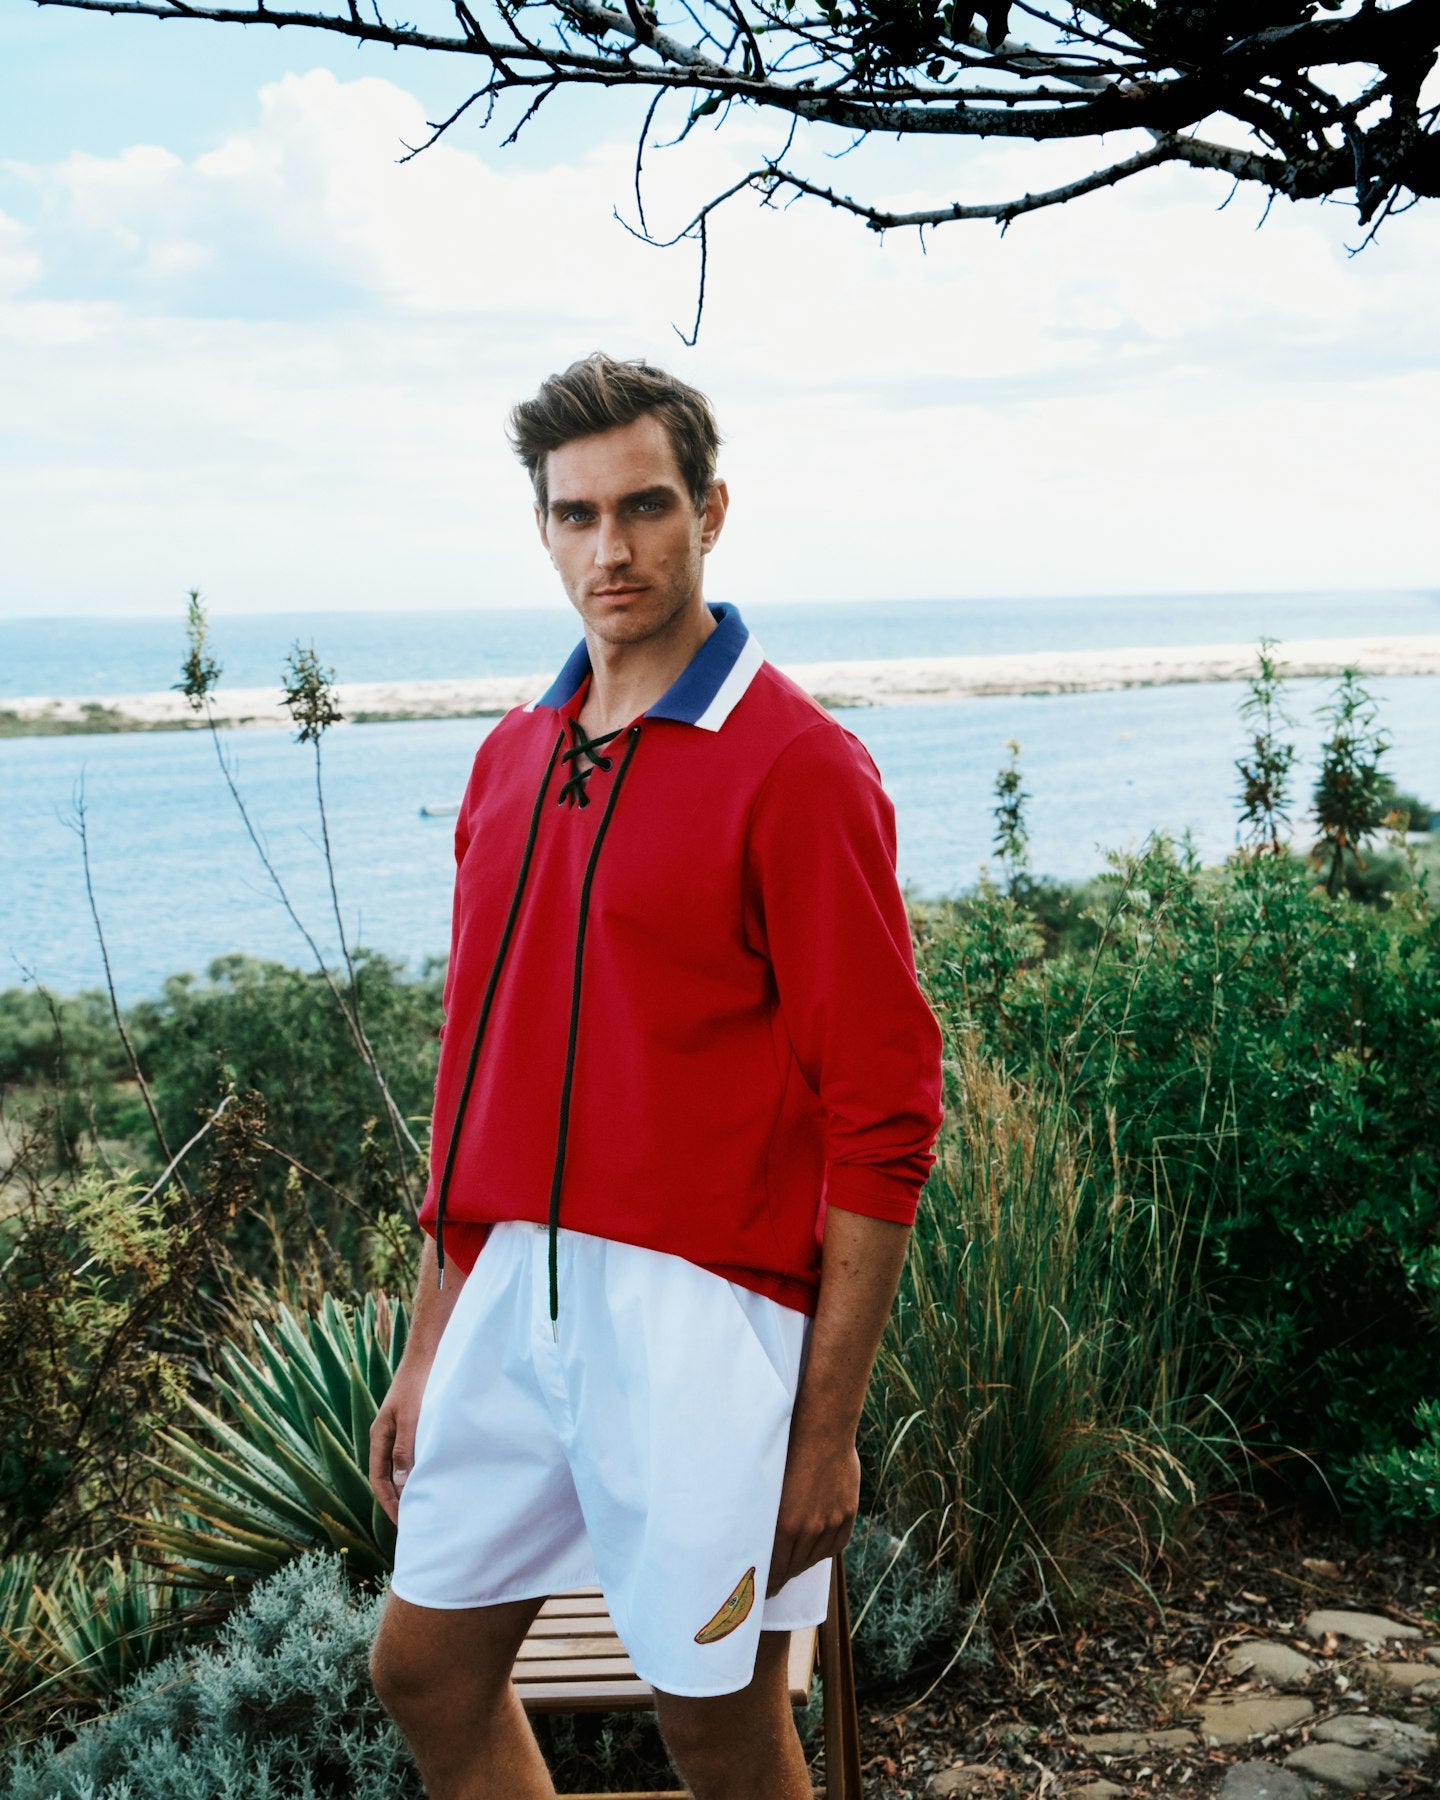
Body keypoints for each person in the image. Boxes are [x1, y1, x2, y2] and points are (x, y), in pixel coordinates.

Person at [367, 352, 943, 1800]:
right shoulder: (514, 759)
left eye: (646, 507)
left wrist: (828, 1431)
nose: (610, 550)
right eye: (576, 516)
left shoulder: (798, 766)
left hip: (703, 1322)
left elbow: (885, 1113)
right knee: (425, 1675)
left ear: (711, 511)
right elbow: (472, 1072)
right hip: (508, 1294)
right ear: (543, 528)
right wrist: (432, 1338)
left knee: (719, 1732)